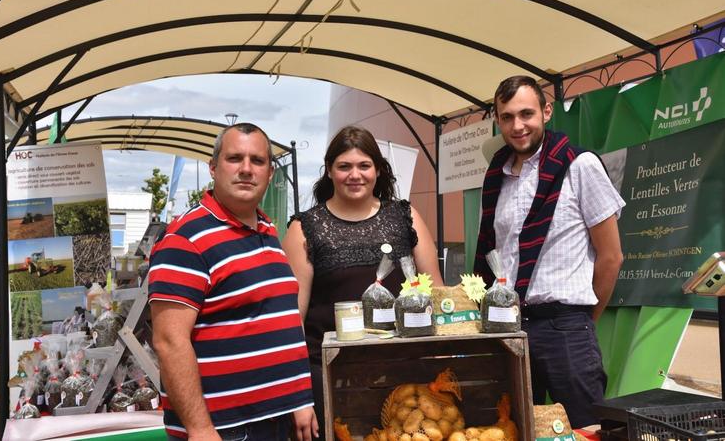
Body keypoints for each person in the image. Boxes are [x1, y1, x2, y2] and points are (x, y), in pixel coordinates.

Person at [148, 123, 317, 441]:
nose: (246, 169)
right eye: (235, 158)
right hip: (226, 430)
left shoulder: (266, 229)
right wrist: (200, 430)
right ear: (213, 168)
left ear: (269, 174)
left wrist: (299, 398)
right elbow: (169, 342)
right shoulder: (186, 238)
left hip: (276, 419)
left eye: (257, 161)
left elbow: (281, 324)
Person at [474, 75, 625, 428]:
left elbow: (611, 257)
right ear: (498, 120)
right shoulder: (496, 174)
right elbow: (493, 253)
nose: (518, 125)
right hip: (507, 326)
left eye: (526, 114)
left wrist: (583, 322)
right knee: (511, 427)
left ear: (546, 111)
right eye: (507, 116)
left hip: (565, 326)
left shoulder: (579, 164)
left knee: (582, 429)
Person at [282, 125, 443, 439]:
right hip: (329, 378)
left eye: (364, 165)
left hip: (405, 377)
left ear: (378, 170)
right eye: (344, 166)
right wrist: (297, 395)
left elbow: (434, 292)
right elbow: (291, 321)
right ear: (329, 171)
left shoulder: (404, 216)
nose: (354, 175)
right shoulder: (306, 227)